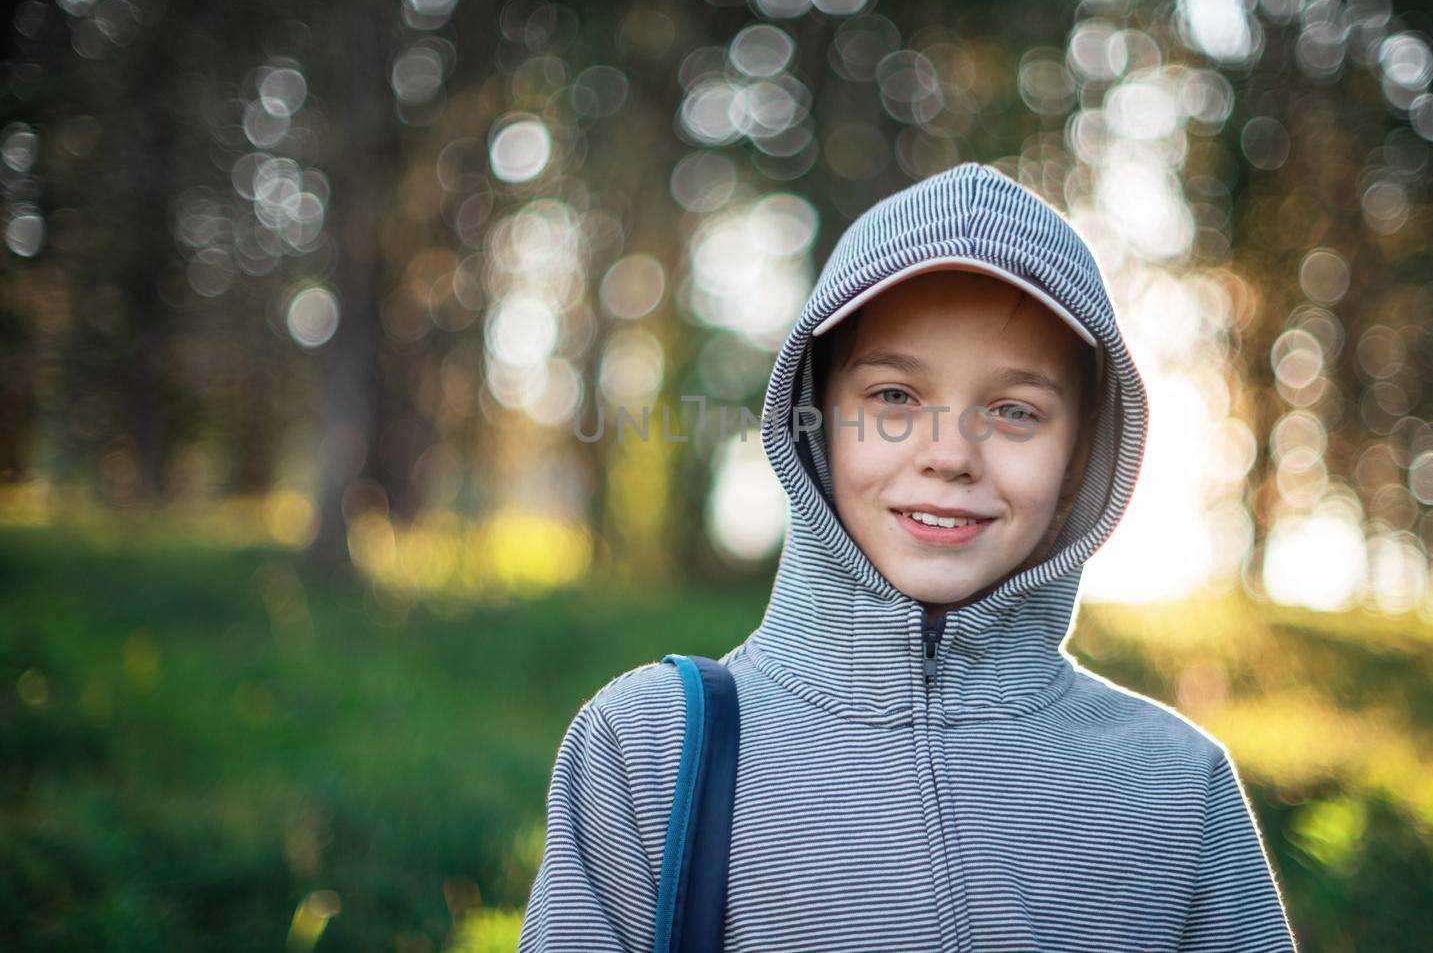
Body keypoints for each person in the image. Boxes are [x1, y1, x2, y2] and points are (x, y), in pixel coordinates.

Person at [519, 162, 1297, 951]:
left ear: (1084, 453)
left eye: (1015, 411)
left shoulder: (1176, 787)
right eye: (894, 397)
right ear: (815, 416)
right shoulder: (648, 747)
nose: (950, 454)